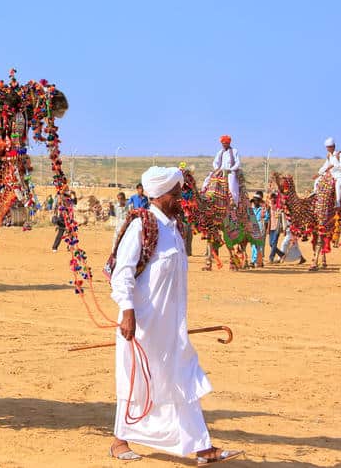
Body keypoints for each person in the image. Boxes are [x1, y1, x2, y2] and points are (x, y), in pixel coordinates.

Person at [109, 166, 243, 464]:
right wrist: (127, 311)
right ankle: (120, 441)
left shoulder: (175, 228)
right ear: (158, 196)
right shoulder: (141, 226)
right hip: (143, 324)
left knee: (182, 378)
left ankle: (203, 448)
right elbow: (122, 273)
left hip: (172, 326)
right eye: (174, 193)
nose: (179, 198)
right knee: (137, 380)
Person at [206, 135, 241, 205]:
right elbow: (215, 162)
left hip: (230, 172)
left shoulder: (234, 151)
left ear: (229, 143)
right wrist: (217, 169)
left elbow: (238, 163)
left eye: (225, 143)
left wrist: (230, 169)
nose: (224, 145)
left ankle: (234, 202)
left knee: (231, 184)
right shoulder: (220, 152)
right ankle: (205, 195)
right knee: (208, 178)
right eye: (223, 143)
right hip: (220, 172)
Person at [314, 137, 341, 208]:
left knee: (338, 185)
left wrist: (333, 166)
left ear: (334, 146)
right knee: (317, 180)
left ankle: (338, 202)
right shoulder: (329, 155)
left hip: (339, 174)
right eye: (327, 147)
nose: (328, 149)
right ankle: (316, 196)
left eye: (329, 147)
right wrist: (319, 173)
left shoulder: (339, 154)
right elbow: (325, 166)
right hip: (330, 174)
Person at [248, 191, 267, 267]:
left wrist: (264, 216)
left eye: (257, 200)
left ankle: (256, 261)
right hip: (252, 228)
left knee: (259, 245)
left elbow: (266, 218)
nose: (255, 202)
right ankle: (255, 261)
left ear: (259, 201)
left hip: (260, 228)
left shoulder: (262, 209)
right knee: (253, 245)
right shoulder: (250, 209)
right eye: (254, 200)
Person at [267, 193, 284, 263]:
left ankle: (271, 257)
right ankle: (281, 254)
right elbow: (269, 219)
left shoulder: (278, 207)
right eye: (271, 198)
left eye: (274, 198)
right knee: (271, 243)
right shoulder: (269, 208)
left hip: (277, 227)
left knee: (274, 243)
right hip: (271, 227)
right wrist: (268, 228)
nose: (272, 199)